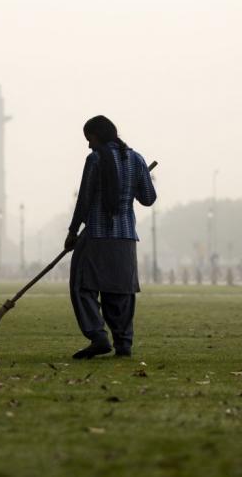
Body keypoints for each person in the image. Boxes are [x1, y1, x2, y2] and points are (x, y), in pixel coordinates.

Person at [65, 115, 156, 359]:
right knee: (121, 291)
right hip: (125, 237)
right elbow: (148, 198)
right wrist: (133, 185)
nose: (89, 144)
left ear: (99, 136)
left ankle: (98, 335)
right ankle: (123, 343)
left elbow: (84, 199)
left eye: (90, 138)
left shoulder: (95, 160)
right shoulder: (137, 160)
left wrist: (72, 232)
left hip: (96, 235)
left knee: (82, 286)